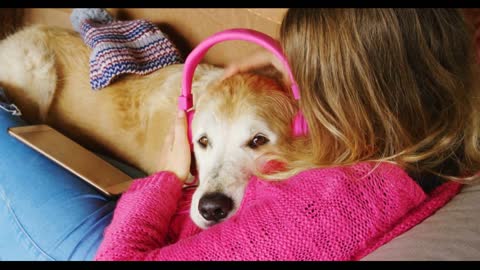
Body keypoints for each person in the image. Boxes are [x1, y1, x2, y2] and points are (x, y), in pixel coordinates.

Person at [0, 8, 478, 261]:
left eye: (309, 75)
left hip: (114, 245)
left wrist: (166, 178)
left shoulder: (333, 207)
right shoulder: (443, 128)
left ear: (354, 92)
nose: (298, 86)